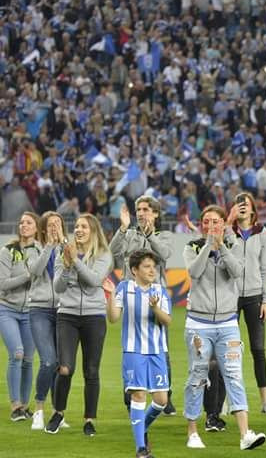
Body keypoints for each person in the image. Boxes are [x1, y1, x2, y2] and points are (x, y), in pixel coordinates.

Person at [182, 205, 266, 450]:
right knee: (197, 376)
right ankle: (193, 432)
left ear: (223, 224)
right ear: (201, 225)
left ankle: (245, 435)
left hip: (228, 323)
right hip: (198, 323)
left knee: (234, 376)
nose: (211, 226)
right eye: (206, 222)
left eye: (216, 222)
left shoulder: (234, 245)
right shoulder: (192, 247)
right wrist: (209, 244)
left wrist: (222, 246)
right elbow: (194, 272)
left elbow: (238, 271)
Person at [46, 213, 113, 435]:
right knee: (65, 368)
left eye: (84, 226)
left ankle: (89, 420)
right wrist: (66, 266)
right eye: (76, 226)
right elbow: (58, 288)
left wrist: (74, 260)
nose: (79, 230)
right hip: (67, 315)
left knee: (91, 370)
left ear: (93, 231)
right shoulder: (61, 252)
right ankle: (58, 412)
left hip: (94, 317)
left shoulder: (104, 254)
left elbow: (94, 280)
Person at [109, 196, 176, 415]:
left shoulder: (163, 236)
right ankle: (131, 393)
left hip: (157, 295)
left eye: (146, 209)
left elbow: (164, 254)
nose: (141, 213)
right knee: (131, 345)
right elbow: (111, 252)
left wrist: (148, 235)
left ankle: (165, 393)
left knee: (161, 346)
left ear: (156, 213)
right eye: (138, 209)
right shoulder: (128, 234)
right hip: (131, 296)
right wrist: (123, 227)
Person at [106, 250, 171, 458]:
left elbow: (167, 321)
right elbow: (114, 318)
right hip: (134, 350)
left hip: (157, 351)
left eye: (154, 266)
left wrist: (155, 308)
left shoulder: (160, 291)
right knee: (139, 394)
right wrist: (109, 297)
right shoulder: (124, 288)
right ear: (134, 270)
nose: (152, 270)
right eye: (147, 266)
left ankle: (140, 427)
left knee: (161, 400)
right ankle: (141, 448)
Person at [227, 192, 266, 414]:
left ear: (253, 209)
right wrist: (228, 223)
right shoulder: (229, 231)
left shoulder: (262, 233)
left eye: (246, 204)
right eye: (239, 205)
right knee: (227, 351)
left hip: (255, 297)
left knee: (258, 349)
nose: (242, 208)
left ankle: (265, 402)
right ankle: (225, 401)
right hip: (230, 297)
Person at [26, 212, 66, 430]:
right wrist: (50, 246)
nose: (54, 228)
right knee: (48, 361)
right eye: (50, 225)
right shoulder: (33, 248)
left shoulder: (67, 247)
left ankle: (57, 413)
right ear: (43, 228)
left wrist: (63, 244)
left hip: (62, 310)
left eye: (57, 224)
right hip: (39, 310)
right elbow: (36, 270)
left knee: (60, 364)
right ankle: (39, 409)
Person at [0, 212, 39, 422]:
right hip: (7, 309)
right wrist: (27, 276)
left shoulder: (41, 251)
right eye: (21, 222)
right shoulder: (7, 251)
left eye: (28, 222)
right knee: (17, 353)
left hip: (32, 311)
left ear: (36, 227)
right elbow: (2, 284)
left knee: (28, 360)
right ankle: (15, 405)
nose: (23, 225)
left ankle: (24, 405)